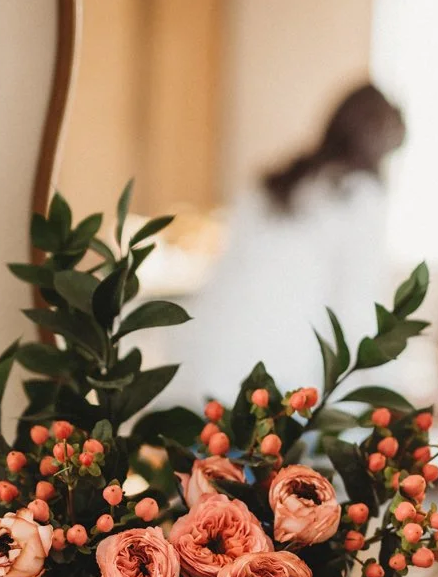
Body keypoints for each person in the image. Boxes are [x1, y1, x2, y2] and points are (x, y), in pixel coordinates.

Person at [171, 83, 406, 407]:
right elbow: (359, 309)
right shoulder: (359, 195)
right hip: (276, 373)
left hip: (206, 356)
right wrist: (390, 390)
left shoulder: (275, 182)